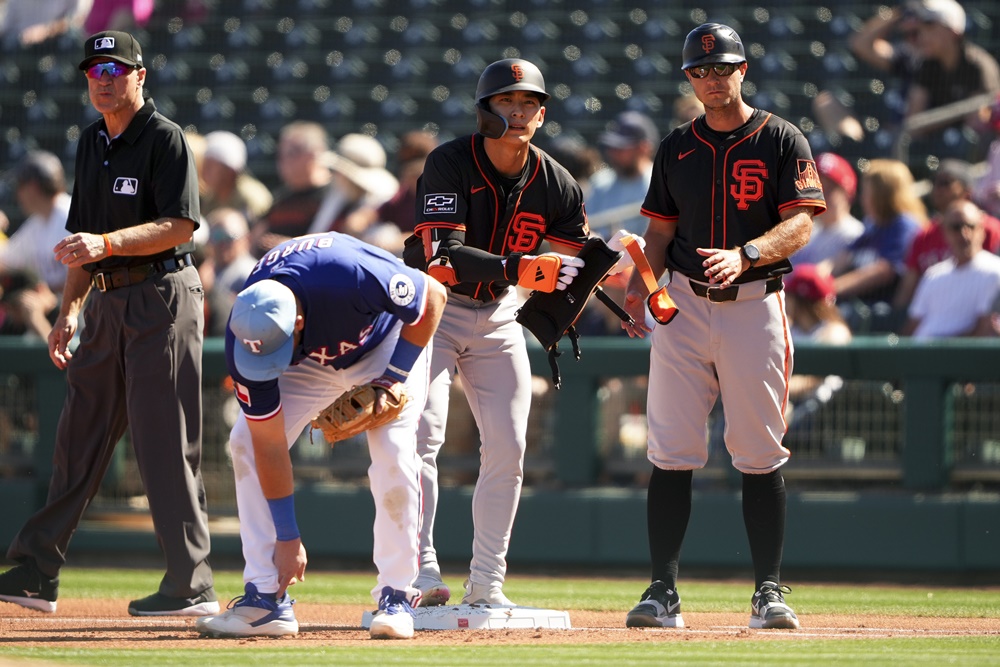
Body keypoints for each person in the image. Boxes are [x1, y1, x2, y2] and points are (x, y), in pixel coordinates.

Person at [0, 30, 218, 617]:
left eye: (115, 70)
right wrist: (69, 310)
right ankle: (36, 569)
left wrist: (107, 243)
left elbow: (179, 226)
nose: (103, 79)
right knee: (78, 434)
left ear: (139, 76)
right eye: (94, 70)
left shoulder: (164, 138)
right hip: (107, 300)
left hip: (162, 294)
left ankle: (190, 583)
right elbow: (80, 242)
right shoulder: (91, 139)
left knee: (164, 442)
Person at [620, 23, 825, 631]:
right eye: (700, 71)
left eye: (721, 68)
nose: (711, 78)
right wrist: (639, 291)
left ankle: (768, 590)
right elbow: (659, 232)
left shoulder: (781, 138)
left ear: (743, 70)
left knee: (760, 450)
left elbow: (803, 222)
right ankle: (662, 591)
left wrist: (750, 253)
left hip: (753, 300)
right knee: (671, 450)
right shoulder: (677, 145)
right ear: (690, 78)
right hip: (682, 302)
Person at [194, 231, 447, 640]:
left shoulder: (348, 273)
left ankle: (397, 596)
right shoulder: (247, 337)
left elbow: (432, 297)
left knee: (394, 448)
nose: (265, 364)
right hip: (311, 358)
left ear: (296, 321)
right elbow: (269, 445)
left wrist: (393, 377)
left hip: (385, 341)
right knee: (243, 438)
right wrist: (288, 537)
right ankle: (264, 598)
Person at [406, 58, 589, 607]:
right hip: (435, 308)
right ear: (484, 111)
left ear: (542, 113)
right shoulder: (448, 162)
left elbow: (569, 261)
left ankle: (486, 583)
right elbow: (443, 255)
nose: (518, 112)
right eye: (506, 102)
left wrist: (601, 264)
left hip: (500, 316)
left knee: (509, 448)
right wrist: (518, 268)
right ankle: (419, 570)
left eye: (528, 103)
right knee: (420, 439)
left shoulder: (556, 181)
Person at [825, 158, 925, 328]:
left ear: (883, 194)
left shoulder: (904, 225)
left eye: (867, 191)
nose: (862, 198)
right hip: (860, 307)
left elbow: (884, 270)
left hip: (882, 313)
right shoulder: (872, 226)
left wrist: (831, 289)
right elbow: (841, 259)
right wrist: (814, 280)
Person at [893, 159, 1000, 314]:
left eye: (945, 183)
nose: (937, 188)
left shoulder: (989, 229)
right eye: (935, 182)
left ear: (967, 191)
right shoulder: (924, 235)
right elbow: (907, 290)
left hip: (976, 313)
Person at [901, 200, 1000, 338]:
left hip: (958, 356)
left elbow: (984, 329)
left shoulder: (995, 271)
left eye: (971, 226)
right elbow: (913, 325)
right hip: (921, 353)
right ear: (945, 232)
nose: (965, 234)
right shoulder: (933, 274)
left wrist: (943, 350)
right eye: (956, 227)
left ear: (981, 230)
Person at [251, 121, 333, 257]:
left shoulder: (337, 197)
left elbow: (337, 248)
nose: (282, 161)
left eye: (290, 153)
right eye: (280, 154)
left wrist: (290, 247)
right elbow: (255, 240)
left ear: (314, 154)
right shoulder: (281, 200)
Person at [0, 151, 72, 295]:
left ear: (32, 187)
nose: (17, 194)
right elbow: (5, 261)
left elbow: (87, 278)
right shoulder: (37, 222)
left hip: (84, 309)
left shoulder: (70, 215)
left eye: (19, 187)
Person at [586, 111, 660, 237]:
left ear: (644, 147)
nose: (613, 152)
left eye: (621, 147)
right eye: (612, 147)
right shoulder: (600, 182)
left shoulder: (661, 184)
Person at [793, 152, 864, 266]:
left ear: (848, 194)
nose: (821, 195)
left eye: (829, 189)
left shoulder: (854, 235)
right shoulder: (806, 233)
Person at [201, 207, 258, 337]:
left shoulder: (251, 272)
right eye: (217, 236)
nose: (222, 243)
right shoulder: (211, 269)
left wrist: (209, 290)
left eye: (229, 237)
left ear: (246, 239)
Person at [199, 130, 273, 223]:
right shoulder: (209, 198)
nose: (204, 170)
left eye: (210, 165)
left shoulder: (252, 197)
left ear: (229, 170)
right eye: (204, 164)